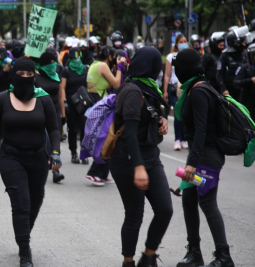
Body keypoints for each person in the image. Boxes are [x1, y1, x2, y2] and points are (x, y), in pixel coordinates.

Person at [0, 56, 61, 267]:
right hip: (11, 156)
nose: (25, 78)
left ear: (34, 75)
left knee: (35, 200)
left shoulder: (44, 99)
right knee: (21, 203)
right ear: (14, 74)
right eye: (20, 74)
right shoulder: (3, 99)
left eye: (29, 74)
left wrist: (56, 152)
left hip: (38, 157)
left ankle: (23, 233)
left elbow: (53, 128)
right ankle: (25, 251)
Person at [109, 46, 172, 267]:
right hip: (128, 158)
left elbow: (154, 112)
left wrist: (162, 120)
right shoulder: (133, 91)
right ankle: (128, 262)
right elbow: (132, 135)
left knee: (165, 209)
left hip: (151, 157)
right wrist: (138, 167)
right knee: (135, 214)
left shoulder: (149, 87)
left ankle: (148, 256)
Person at [173, 48, 235, 267]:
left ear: (185, 69)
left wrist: (191, 164)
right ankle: (194, 253)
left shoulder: (199, 91)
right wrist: (187, 174)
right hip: (200, 155)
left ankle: (224, 256)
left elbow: (200, 130)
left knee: (207, 203)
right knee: (189, 201)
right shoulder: (197, 87)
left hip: (207, 157)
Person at [83, 46, 124, 186]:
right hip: (102, 107)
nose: (115, 59)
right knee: (105, 140)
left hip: (97, 105)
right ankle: (94, 173)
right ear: (110, 56)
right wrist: (119, 67)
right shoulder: (102, 65)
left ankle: (103, 173)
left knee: (107, 139)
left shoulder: (95, 64)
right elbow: (117, 83)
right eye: (114, 57)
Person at [34, 51, 66, 183]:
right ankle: (41, 166)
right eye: (51, 63)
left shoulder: (56, 76)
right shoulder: (35, 78)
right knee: (44, 140)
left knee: (54, 139)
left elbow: (60, 96)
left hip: (55, 112)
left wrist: (63, 115)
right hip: (41, 112)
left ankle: (55, 169)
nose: (54, 65)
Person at [61, 47, 89, 165]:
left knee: (84, 129)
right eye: (74, 55)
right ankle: (73, 152)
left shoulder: (86, 69)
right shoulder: (66, 70)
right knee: (72, 129)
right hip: (72, 104)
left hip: (84, 104)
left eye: (79, 54)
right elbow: (62, 87)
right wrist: (64, 102)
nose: (77, 57)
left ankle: (84, 153)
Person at [163, 34, 189, 151]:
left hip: (186, 88)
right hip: (174, 89)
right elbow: (167, 75)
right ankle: (177, 139)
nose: (183, 43)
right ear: (177, 43)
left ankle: (184, 138)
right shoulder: (171, 56)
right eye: (181, 42)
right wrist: (165, 91)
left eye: (185, 41)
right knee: (178, 112)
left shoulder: (189, 56)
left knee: (185, 113)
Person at [217, 26, 249, 100]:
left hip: (241, 89)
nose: (244, 44)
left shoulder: (243, 55)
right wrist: (224, 89)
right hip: (229, 91)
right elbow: (219, 75)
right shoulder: (225, 56)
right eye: (242, 42)